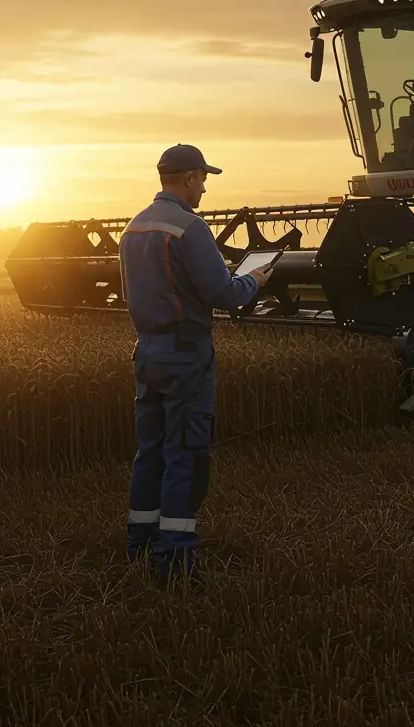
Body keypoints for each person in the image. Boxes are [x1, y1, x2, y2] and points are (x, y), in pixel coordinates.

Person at [117, 143, 274, 588]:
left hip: (147, 352)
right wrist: (253, 280)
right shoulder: (190, 228)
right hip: (187, 355)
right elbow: (223, 294)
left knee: (149, 453)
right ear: (188, 178)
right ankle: (174, 561)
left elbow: (130, 294)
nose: (204, 187)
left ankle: (139, 546)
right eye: (203, 178)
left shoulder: (134, 228)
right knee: (185, 454)